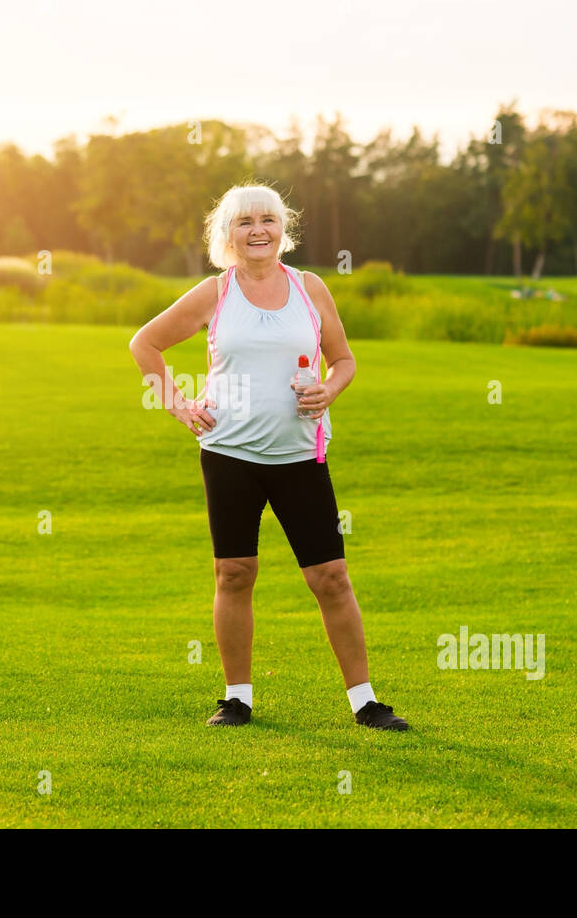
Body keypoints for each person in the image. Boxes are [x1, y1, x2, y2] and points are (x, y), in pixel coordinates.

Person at [128, 183, 409, 732]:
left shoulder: (310, 288)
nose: (258, 230)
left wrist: (331, 389)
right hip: (229, 453)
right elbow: (145, 344)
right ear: (227, 234)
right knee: (235, 573)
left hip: (301, 455)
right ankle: (237, 699)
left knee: (330, 577)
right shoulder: (215, 293)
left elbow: (345, 360)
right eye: (244, 222)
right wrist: (180, 407)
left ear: (283, 229)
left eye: (268, 220)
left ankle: (365, 702)